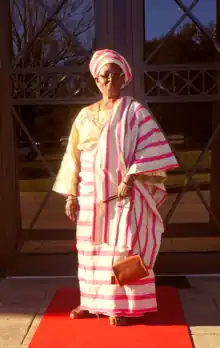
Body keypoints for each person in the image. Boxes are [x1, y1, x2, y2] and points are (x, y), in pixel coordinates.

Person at [53, 49, 178, 326]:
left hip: (123, 196)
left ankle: (121, 307)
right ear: (96, 80)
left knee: (122, 250)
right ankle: (90, 301)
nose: (109, 80)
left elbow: (152, 150)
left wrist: (130, 177)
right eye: (104, 75)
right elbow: (73, 157)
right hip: (90, 198)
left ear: (124, 79)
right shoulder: (84, 116)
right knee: (89, 250)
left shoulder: (134, 111)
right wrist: (71, 194)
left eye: (115, 75)